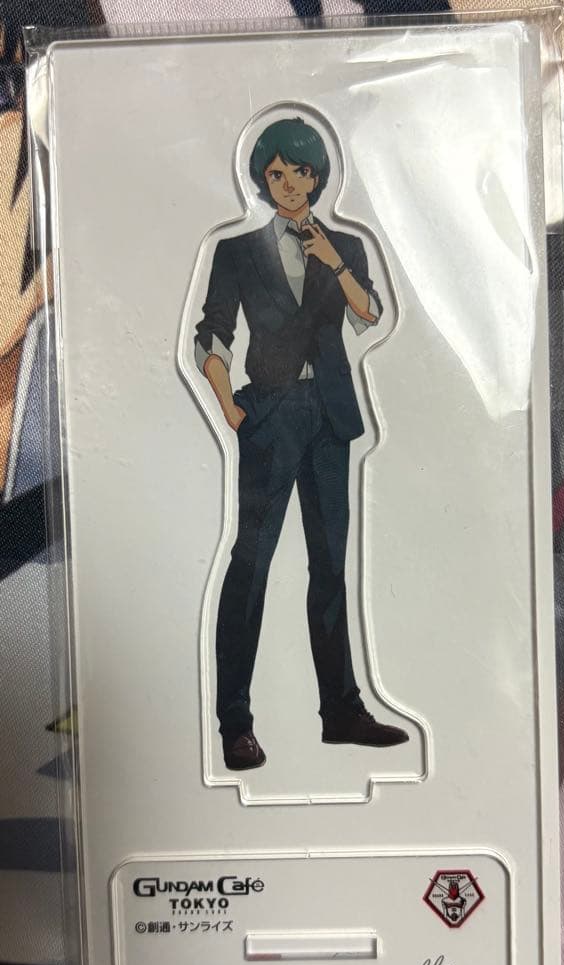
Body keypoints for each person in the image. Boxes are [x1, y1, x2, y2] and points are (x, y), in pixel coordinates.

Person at [195, 116, 409, 770]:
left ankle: (341, 711)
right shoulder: (238, 250)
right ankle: (235, 722)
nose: (289, 183)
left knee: (330, 568)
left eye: (300, 171)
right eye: (276, 174)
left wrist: (333, 261)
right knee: (251, 564)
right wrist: (229, 404)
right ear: (262, 181)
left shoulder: (345, 243)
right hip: (270, 413)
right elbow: (212, 331)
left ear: (318, 175)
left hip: (330, 414)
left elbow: (369, 313)